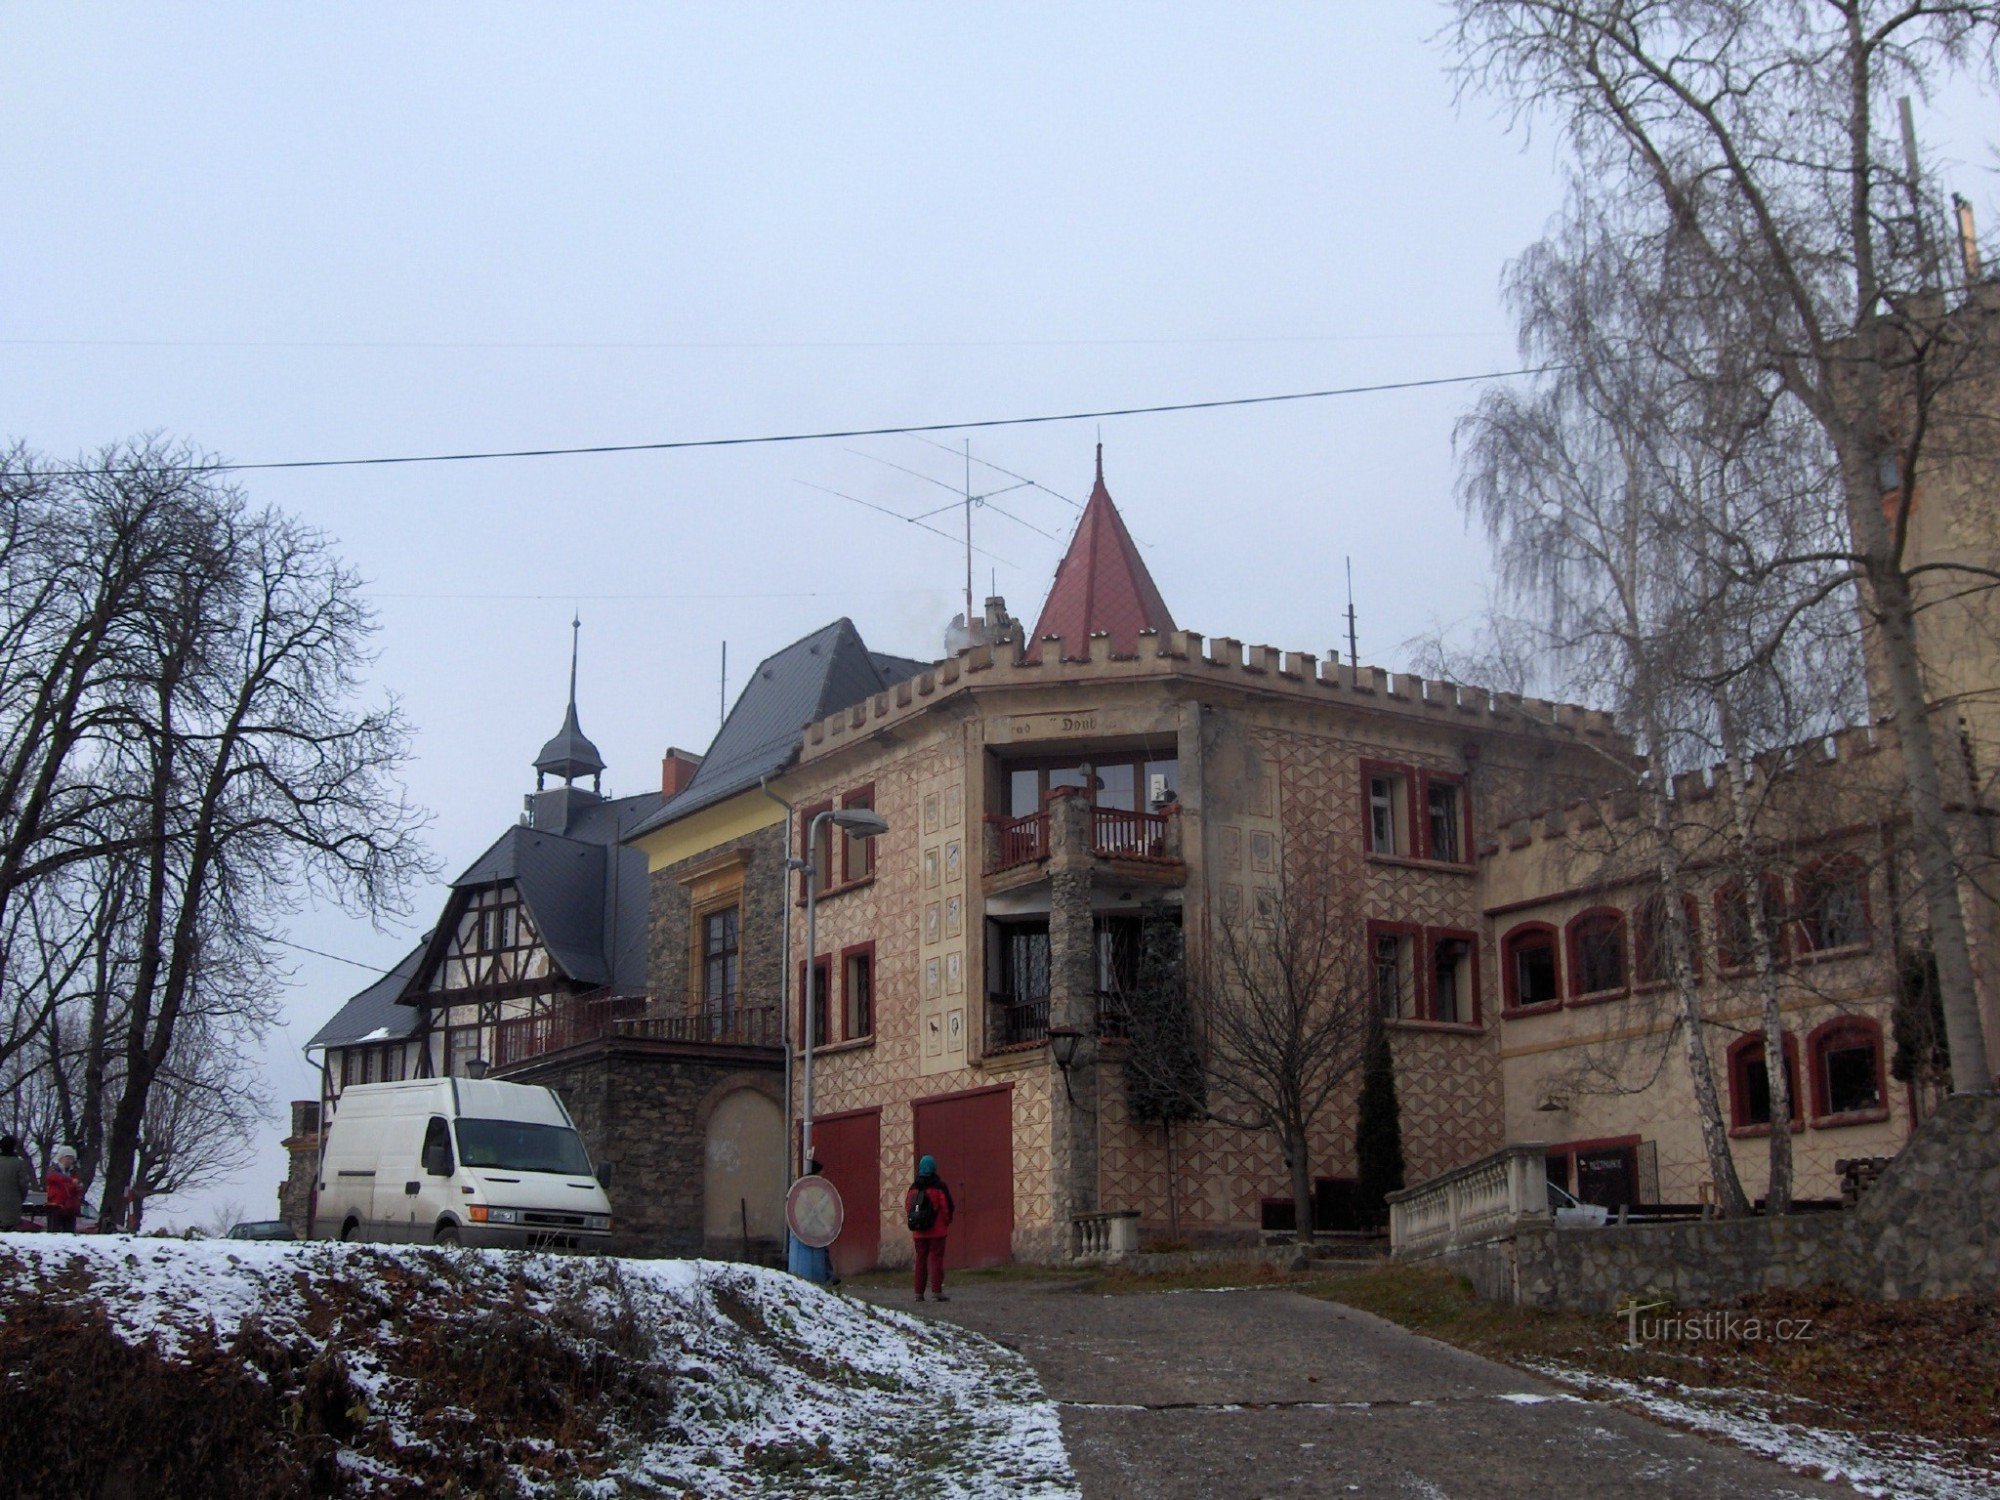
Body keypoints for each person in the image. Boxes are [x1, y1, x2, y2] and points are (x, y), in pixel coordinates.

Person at [905, 1154, 954, 1302]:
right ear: (933, 1168)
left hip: (919, 1232)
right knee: (936, 1261)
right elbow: (946, 1207)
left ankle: (918, 1293)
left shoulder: (914, 1187)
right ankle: (936, 1291)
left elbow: (909, 1207)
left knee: (920, 1261)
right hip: (937, 1231)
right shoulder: (938, 1186)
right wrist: (946, 1221)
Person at [786, 1159, 837, 1286]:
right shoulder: (808, 1188)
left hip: (813, 1228)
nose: (822, 1176)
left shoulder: (810, 1187)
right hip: (806, 1228)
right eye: (821, 1173)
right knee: (820, 1250)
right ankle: (828, 1275)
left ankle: (828, 1275)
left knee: (823, 1249)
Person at [44, 1147, 83, 1234]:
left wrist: (77, 1188)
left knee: (69, 1233)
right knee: (53, 1232)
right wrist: (70, 1181)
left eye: (72, 1159)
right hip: (56, 1206)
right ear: (61, 1158)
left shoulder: (73, 1172)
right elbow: (53, 1177)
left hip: (70, 1208)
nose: (70, 1161)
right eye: (67, 1158)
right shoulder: (53, 1170)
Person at [0, 1136, 32, 1232]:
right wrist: (20, 1199)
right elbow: (23, 1185)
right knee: (10, 1233)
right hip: (12, 1204)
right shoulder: (19, 1164)